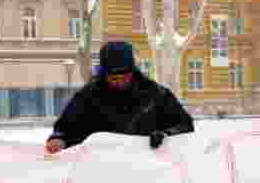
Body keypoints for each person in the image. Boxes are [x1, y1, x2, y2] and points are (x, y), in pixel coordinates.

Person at [45, 41, 193, 154]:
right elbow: (68, 127)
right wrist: (59, 139)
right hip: (101, 174)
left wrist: (165, 134)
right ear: (104, 74)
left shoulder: (155, 94)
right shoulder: (87, 97)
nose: (120, 82)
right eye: (114, 78)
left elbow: (185, 124)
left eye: (125, 77)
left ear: (133, 71)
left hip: (147, 175)